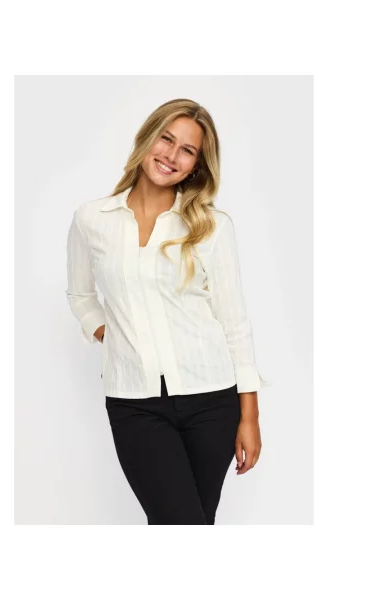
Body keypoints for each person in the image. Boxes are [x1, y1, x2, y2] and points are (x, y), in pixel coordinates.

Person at [65, 98, 270, 525]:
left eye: (187, 150)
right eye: (166, 139)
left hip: (212, 401)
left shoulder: (211, 226)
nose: (171, 155)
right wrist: (112, 334)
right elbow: (81, 295)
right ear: (146, 138)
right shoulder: (92, 219)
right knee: (179, 524)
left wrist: (249, 416)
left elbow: (235, 324)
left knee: (195, 523)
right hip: (134, 403)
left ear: (196, 165)